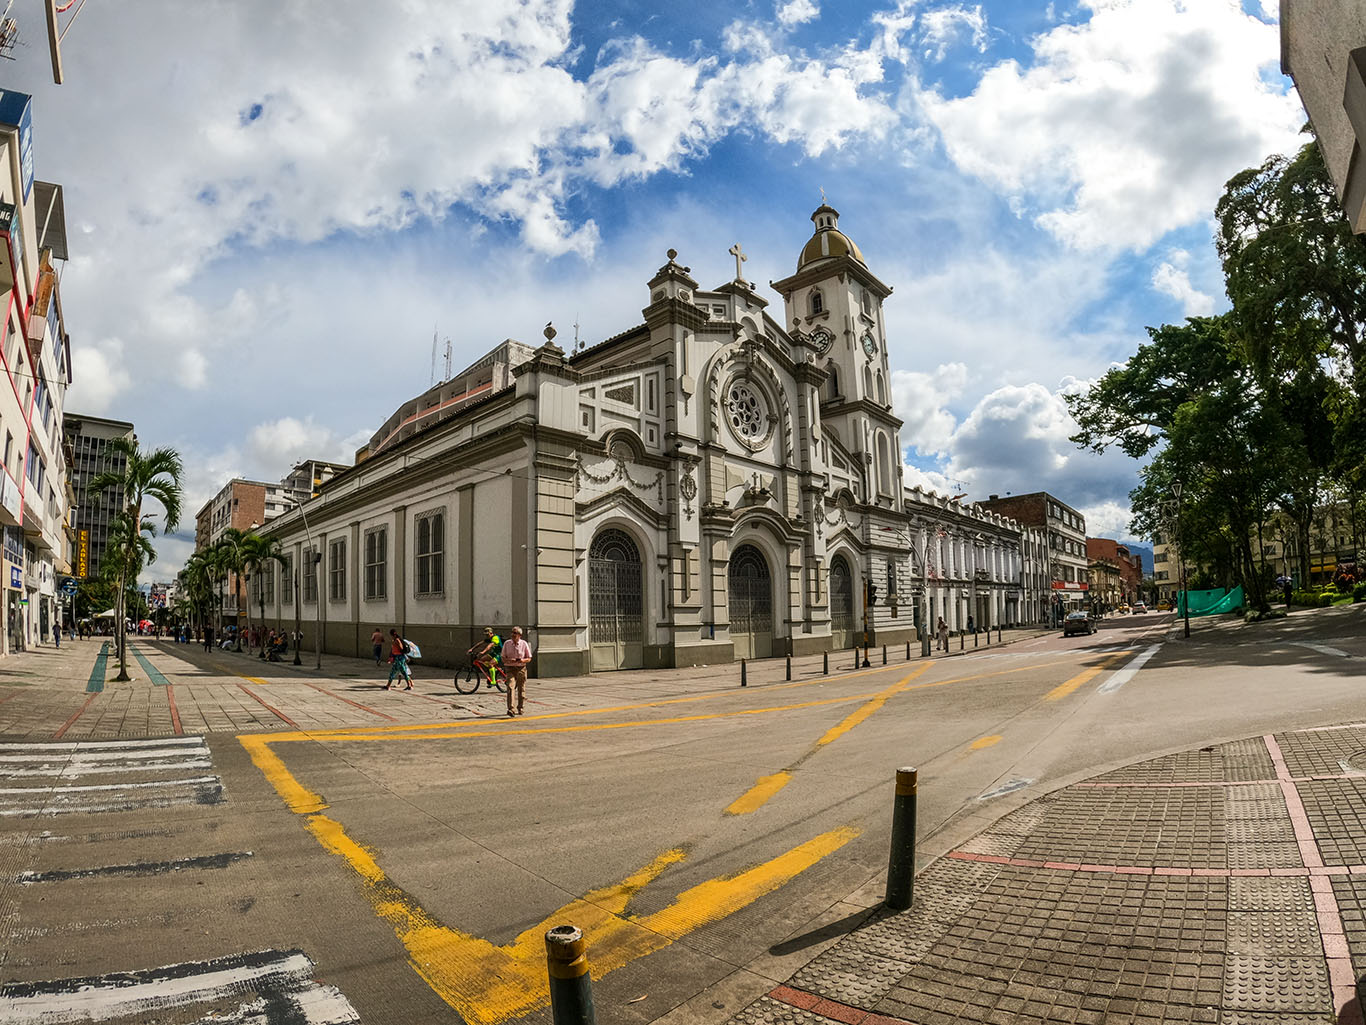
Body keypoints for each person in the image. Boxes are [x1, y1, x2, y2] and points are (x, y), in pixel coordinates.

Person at [501, 626, 533, 717]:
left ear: (520, 635)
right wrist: (509, 660)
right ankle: (511, 709)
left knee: (521, 688)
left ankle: (520, 707)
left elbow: (529, 658)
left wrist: (522, 660)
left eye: (515, 633)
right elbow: (503, 657)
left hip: (521, 668)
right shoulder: (507, 643)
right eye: (512, 632)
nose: (513, 635)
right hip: (510, 668)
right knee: (510, 687)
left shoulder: (524, 644)